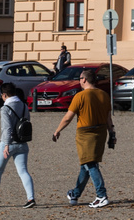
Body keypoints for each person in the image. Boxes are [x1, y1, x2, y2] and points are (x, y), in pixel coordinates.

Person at [51, 68, 112, 209]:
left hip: (85, 134)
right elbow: (109, 117)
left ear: (84, 79)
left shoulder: (80, 96)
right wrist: (112, 133)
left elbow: (68, 118)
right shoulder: (104, 95)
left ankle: (101, 195)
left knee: (90, 164)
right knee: (86, 164)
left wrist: (57, 131)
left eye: (80, 79)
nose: (79, 81)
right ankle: (75, 193)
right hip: (101, 132)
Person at [0, 82, 35, 208]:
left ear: (4, 95)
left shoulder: (5, 108)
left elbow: (7, 128)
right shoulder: (24, 106)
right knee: (23, 171)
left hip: (8, 143)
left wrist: (6, 145)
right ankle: (31, 198)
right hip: (22, 143)